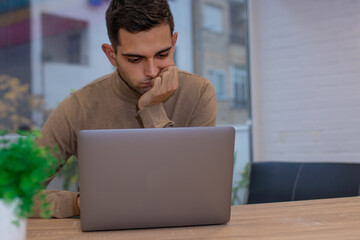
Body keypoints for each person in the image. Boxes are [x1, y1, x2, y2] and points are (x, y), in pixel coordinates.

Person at [33, 0, 216, 218]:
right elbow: (11, 193)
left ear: (174, 42)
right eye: (135, 59)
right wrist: (80, 203)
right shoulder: (80, 106)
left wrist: (152, 109)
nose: (152, 71)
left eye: (162, 55)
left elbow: (193, 192)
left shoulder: (199, 94)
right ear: (112, 55)